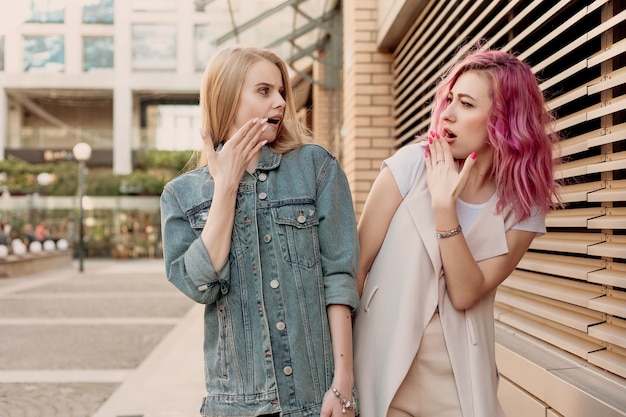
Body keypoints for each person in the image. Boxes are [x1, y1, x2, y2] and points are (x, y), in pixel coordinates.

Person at [352, 47, 562, 417]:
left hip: (459, 379)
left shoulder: (523, 207)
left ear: (504, 120)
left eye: (465, 104)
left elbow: (466, 293)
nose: (446, 113)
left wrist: (444, 209)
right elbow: (356, 268)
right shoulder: (408, 167)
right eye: (449, 99)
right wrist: (337, 370)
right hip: (380, 362)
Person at [160, 46, 360, 417]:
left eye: (282, 91)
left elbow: (339, 281)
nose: (282, 102)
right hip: (235, 405)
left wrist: (342, 385)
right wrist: (226, 187)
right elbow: (200, 286)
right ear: (227, 97)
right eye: (265, 91)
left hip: (315, 401)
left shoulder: (317, 168)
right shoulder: (181, 195)